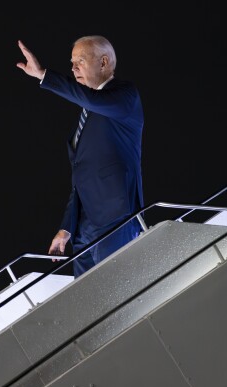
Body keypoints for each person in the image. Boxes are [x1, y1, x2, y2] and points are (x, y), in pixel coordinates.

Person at [16, 35, 144, 278]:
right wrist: (67, 227)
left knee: (114, 295)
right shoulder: (87, 114)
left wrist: (44, 75)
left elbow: (91, 99)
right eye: (71, 62)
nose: (73, 69)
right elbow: (81, 179)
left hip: (116, 219)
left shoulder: (125, 97)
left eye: (80, 61)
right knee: (86, 302)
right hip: (83, 229)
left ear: (103, 63)